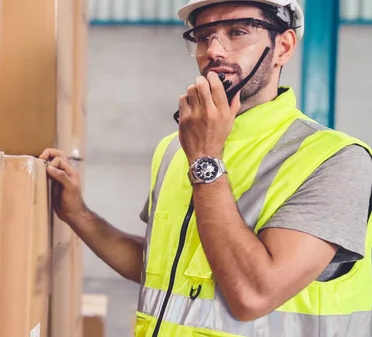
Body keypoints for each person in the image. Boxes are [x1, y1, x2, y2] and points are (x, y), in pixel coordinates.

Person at [40, 0, 372, 336]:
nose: (214, 50)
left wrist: (204, 159)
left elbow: (254, 294)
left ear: (283, 47)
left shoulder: (334, 160)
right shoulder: (174, 148)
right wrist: (79, 214)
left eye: (238, 32)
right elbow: (162, 267)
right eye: (203, 36)